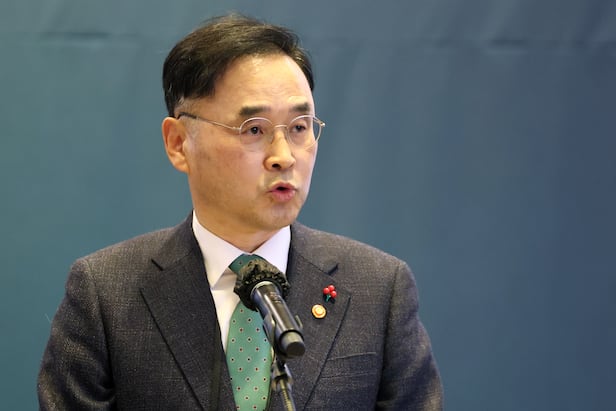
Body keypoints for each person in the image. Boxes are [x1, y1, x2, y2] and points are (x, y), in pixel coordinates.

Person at [38, 14, 443, 410]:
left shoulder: (379, 290)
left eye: (299, 127)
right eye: (254, 129)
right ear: (179, 143)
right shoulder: (106, 295)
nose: (284, 156)